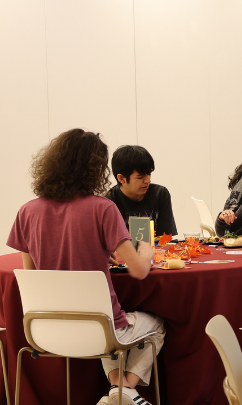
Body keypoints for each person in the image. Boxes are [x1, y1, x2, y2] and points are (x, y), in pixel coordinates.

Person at [7, 129, 164, 405]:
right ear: (94, 169)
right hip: (98, 328)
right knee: (154, 324)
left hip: (46, 330)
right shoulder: (102, 208)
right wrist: (147, 251)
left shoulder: (27, 211)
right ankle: (127, 391)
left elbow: (32, 277)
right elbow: (139, 270)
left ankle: (120, 392)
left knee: (101, 324)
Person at [104, 145, 178, 236]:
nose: (148, 181)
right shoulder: (107, 203)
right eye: (140, 177)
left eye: (149, 174)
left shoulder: (160, 194)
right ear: (121, 178)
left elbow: (166, 239)